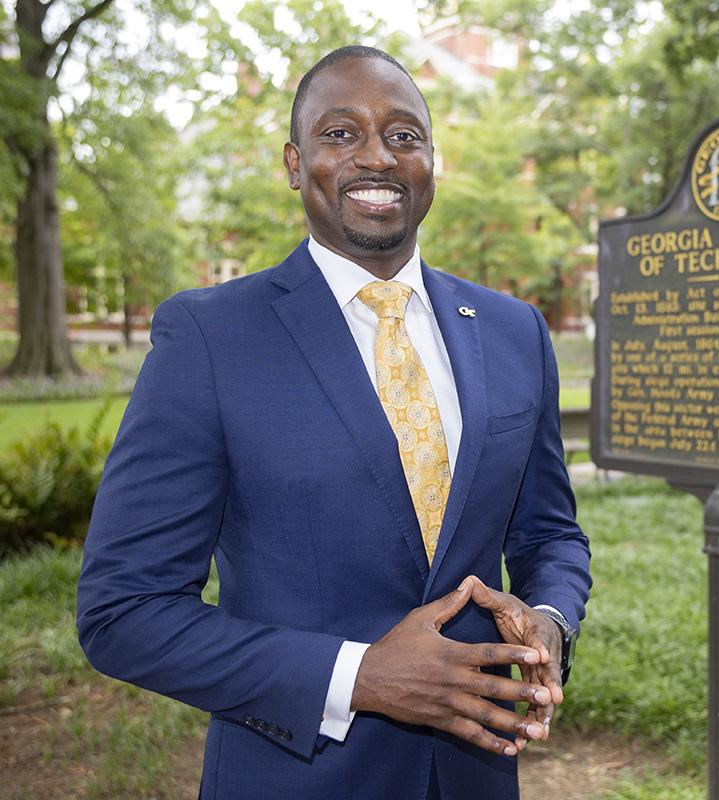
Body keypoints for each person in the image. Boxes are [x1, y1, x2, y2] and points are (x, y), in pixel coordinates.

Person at [76, 45, 591, 800]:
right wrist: (358, 678)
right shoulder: (210, 339)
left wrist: (548, 620)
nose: (377, 156)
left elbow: (549, 534)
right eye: (341, 134)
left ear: (431, 163)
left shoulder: (514, 331)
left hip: (477, 777)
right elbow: (124, 613)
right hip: (296, 779)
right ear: (295, 163)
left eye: (403, 135)